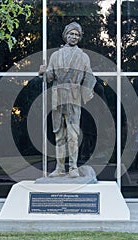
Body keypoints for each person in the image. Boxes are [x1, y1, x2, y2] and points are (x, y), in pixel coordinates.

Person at [39, 22, 96, 178]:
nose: (74, 37)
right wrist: (43, 72)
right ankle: (59, 168)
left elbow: (90, 77)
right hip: (58, 97)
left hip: (74, 96)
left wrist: (86, 92)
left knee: (73, 134)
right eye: (71, 34)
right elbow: (49, 78)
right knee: (59, 134)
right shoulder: (55, 56)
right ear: (65, 35)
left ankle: (73, 167)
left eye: (77, 35)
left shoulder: (83, 57)